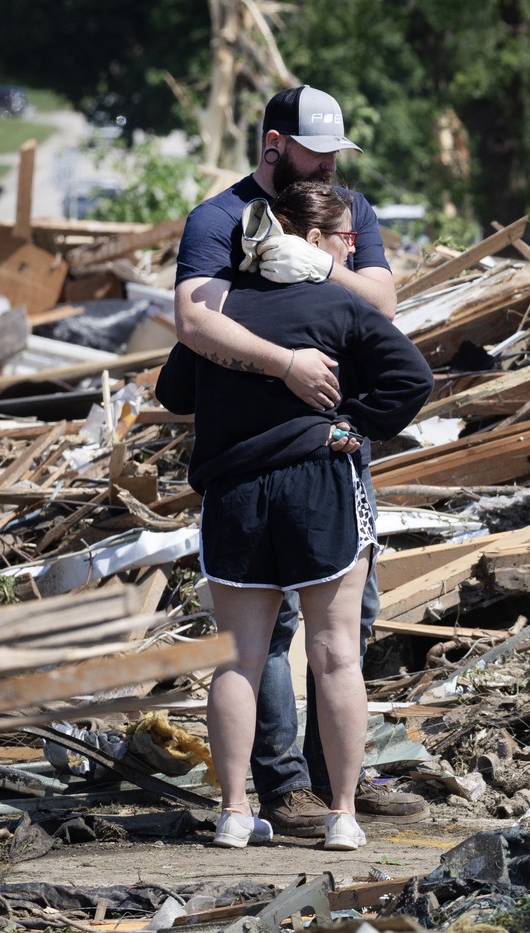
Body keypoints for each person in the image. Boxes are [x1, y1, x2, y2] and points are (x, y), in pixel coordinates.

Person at [174, 85, 429, 838]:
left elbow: (378, 299)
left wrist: (314, 268)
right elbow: (193, 321)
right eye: (317, 157)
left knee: (301, 637)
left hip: (313, 454)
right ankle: (289, 788)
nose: (330, 175)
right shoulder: (216, 219)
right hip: (303, 463)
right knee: (300, 641)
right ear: (274, 145)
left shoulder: (341, 211)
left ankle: (312, 786)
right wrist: (286, 362)